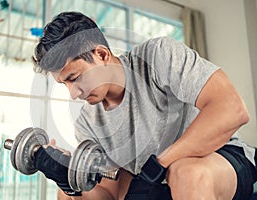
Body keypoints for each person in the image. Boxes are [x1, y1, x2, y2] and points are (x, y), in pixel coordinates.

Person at [32, 11, 257, 200]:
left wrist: (157, 166)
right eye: (64, 84)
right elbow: (110, 193)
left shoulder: (157, 56)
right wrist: (70, 179)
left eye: (74, 77)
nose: (73, 94)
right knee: (65, 196)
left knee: (186, 173)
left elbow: (232, 109)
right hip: (154, 184)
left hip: (219, 158)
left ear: (101, 54)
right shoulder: (87, 124)